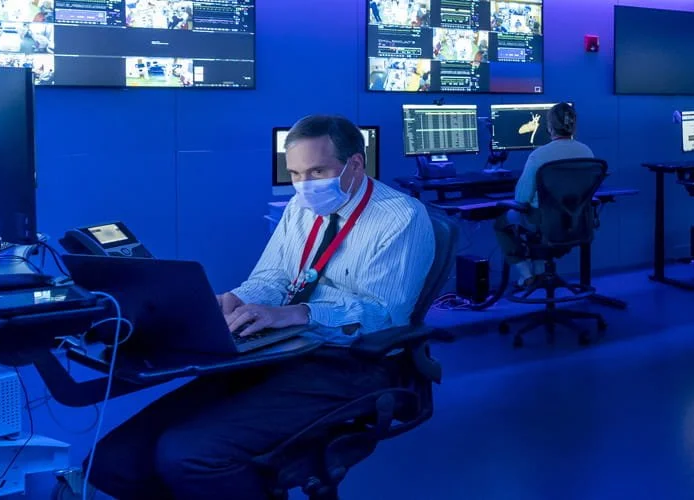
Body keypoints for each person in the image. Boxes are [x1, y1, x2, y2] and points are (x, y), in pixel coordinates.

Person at [87, 115, 436, 500]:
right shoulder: (300, 208)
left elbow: (381, 316)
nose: (305, 185)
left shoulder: (401, 216)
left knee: (188, 455)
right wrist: (241, 299)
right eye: (296, 174)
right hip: (286, 349)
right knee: (112, 461)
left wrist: (300, 313)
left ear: (356, 163)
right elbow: (273, 278)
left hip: (354, 362)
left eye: (318, 170)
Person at [501, 102, 591, 283]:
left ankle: (527, 276)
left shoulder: (539, 155)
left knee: (502, 221)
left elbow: (521, 198)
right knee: (540, 221)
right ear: (574, 125)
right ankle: (541, 273)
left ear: (550, 127)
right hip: (576, 224)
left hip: (545, 224)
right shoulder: (586, 151)